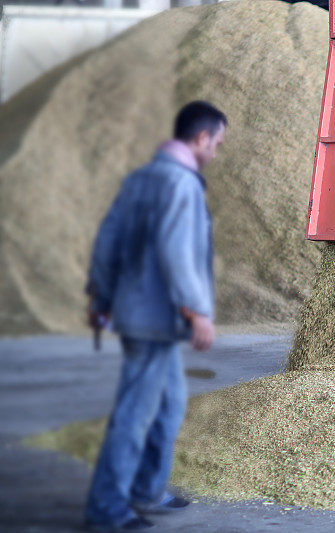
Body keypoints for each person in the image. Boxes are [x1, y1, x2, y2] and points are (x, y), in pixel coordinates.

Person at [83, 101, 226, 531]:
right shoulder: (181, 185)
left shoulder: (140, 179)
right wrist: (198, 311)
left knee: (169, 404)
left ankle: (146, 488)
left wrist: (101, 299)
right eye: (217, 144)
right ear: (201, 138)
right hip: (154, 320)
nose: (216, 153)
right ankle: (106, 508)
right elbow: (178, 253)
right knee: (135, 413)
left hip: (135, 314)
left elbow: (107, 241)